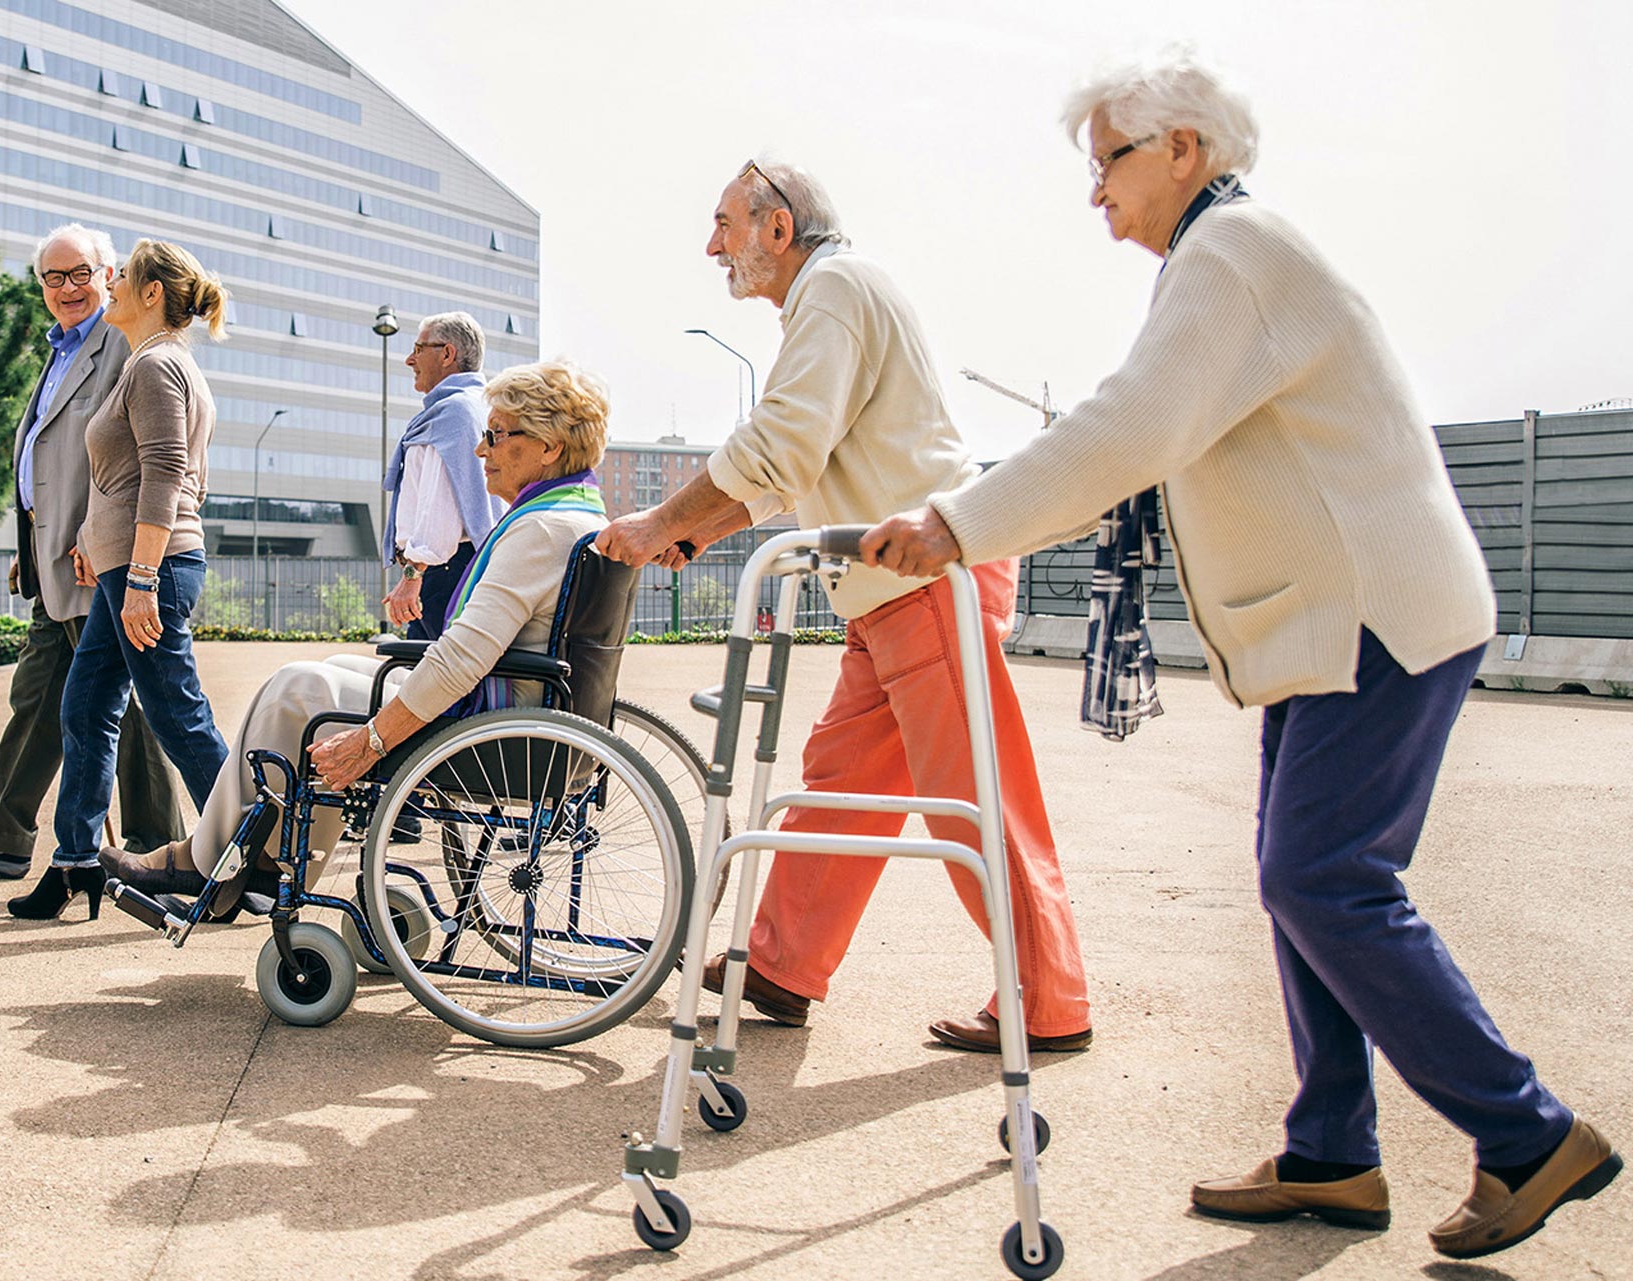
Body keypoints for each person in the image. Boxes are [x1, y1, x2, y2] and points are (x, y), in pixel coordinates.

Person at [858, 50, 1618, 1259]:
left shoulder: (1233, 256)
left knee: (1322, 880)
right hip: (1334, 624)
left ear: (1184, 150)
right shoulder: (1217, 258)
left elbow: (1132, 428)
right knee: (1306, 883)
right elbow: (1150, 428)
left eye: (1108, 158)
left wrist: (957, 525)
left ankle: (1527, 1136)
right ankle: (1333, 1154)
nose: (1093, 188)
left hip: (1374, 618)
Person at [595, 158, 1091, 1052]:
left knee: (978, 796)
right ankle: (783, 966)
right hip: (889, 586)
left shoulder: (834, 290)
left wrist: (665, 519)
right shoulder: (829, 297)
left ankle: (1051, 1000)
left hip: (924, 577)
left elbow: (784, 440)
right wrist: (700, 530)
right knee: (841, 782)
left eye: (724, 225)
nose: (712, 247)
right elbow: (802, 460)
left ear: (777, 228)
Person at [103, 361, 610, 898]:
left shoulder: (538, 529)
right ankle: (264, 862)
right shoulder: (579, 515)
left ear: (548, 447)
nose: (481, 450)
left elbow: (461, 660)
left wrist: (371, 740)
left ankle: (208, 862)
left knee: (300, 688)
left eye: (495, 434)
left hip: (498, 733)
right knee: (331, 674)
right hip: (529, 714)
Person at [0, 224, 183, 879]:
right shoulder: (60, 350)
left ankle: (159, 845)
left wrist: (95, 540)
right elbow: (48, 456)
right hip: (54, 559)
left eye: (80, 274)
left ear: (107, 274)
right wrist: (31, 544)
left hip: (98, 558)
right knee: (41, 698)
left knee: (120, 709)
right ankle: (3, 833)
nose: (67, 288)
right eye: (53, 277)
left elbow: (132, 459)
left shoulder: (120, 343)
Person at [7, 239, 232, 921]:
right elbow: (127, 476)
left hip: (151, 573)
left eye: (123, 278)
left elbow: (167, 474)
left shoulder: (157, 366)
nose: (110, 287)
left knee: (176, 715)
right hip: (127, 568)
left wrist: (138, 576)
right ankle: (76, 860)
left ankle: (253, 850)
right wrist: (92, 540)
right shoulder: (152, 362)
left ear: (153, 293)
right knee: (85, 709)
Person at [382, 311, 501, 639]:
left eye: (419, 349)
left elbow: (441, 512)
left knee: (428, 681)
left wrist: (412, 574)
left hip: (445, 575)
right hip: (464, 568)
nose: (409, 359)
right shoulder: (481, 407)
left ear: (447, 354)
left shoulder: (452, 414)